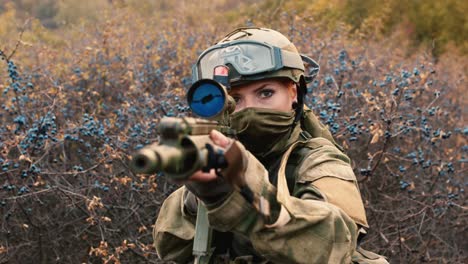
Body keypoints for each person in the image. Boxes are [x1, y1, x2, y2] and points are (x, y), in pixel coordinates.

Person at [153, 27, 388, 263]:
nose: (250, 109)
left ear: (293, 92)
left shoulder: (318, 160)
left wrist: (247, 198)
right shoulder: (214, 156)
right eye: (235, 100)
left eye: (265, 93)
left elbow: (335, 241)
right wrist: (196, 200)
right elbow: (170, 249)